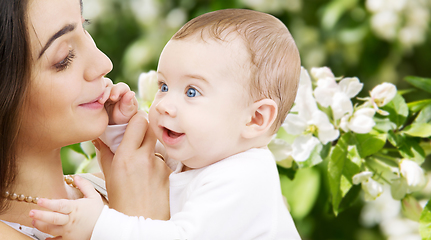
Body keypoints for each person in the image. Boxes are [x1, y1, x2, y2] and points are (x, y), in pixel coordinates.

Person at [30, 8, 302, 240]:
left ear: (255, 119)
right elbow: (146, 164)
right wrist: (119, 128)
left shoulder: (244, 179)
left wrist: (99, 225)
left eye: (191, 92)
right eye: (164, 85)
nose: (162, 105)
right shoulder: (204, 154)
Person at [0, 0, 171, 239]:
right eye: (64, 58)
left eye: (85, 27)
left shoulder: (130, 182)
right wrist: (135, 224)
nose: (104, 63)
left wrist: (130, 147)